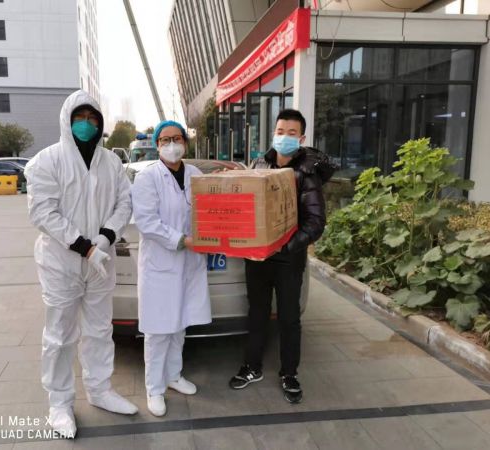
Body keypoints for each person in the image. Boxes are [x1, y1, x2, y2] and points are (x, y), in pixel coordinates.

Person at [24, 90, 138, 438]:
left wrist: (105, 238)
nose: (86, 124)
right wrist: (84, 246)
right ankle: (59, 402)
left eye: (92, 118)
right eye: (80, 117)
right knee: (60, 335)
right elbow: (43, 212)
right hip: (61, 263)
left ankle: (100, 389)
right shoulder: (46, 161)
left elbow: (124, 203)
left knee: (100, 330)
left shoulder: (112, 162)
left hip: (100, 261)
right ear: (67, 120)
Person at [229, 109, 333, 403]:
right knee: (257, 313)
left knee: (288, 318)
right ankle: (252, 366)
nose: (284, 137)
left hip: (288, 258)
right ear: (273, 133)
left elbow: (316, 222)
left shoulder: (307, 172)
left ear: (301, 138)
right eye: (280, 131)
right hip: (257, 258)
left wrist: (287, 246)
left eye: (291, 133)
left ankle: (289, 373)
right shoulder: (259, 164)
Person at [131, 120, 211, 417]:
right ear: (157, 145)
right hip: (161, 264)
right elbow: (147, 222)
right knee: (158, 330)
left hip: (189, 263)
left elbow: (209, 211)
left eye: (177, 138)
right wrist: (182, 240)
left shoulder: (196, 175)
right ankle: (154, 388)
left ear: (185, 143)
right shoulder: (148, 178)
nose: (172, 144)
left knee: (180, 324)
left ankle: (174, 375)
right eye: (165, 140)